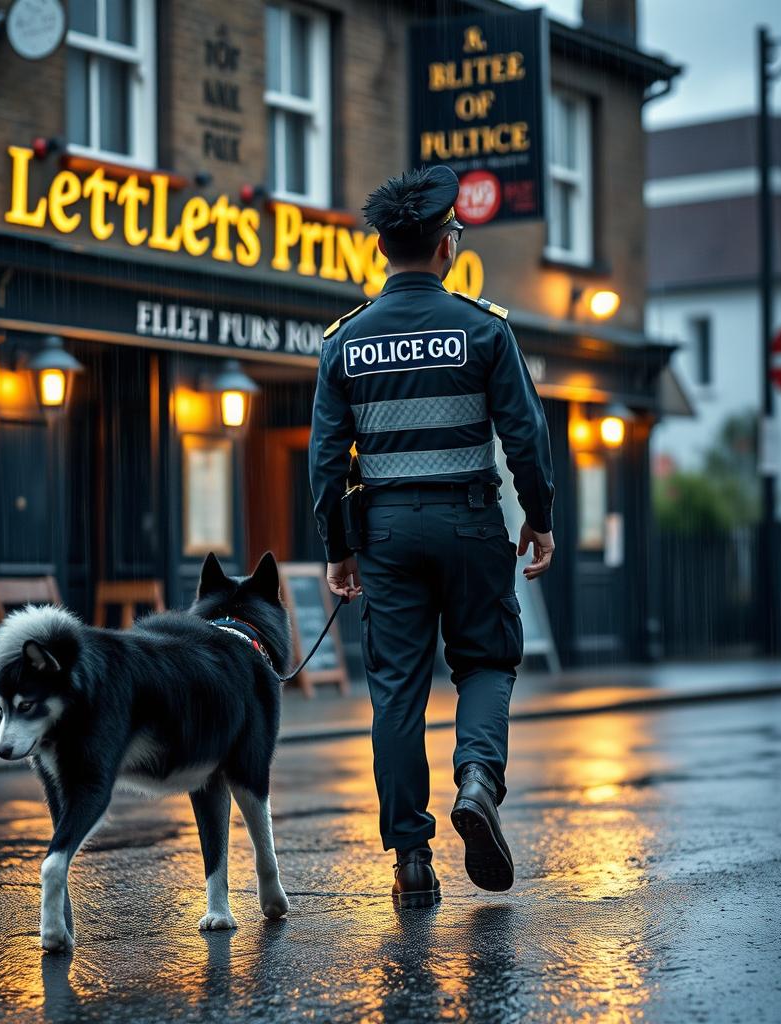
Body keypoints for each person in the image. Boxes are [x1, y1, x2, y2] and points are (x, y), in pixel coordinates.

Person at [309, 166, 555, 908]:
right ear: (447, 245)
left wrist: (337, 550)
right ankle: (478, 779)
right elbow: (526, 434)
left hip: (385, 535)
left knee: (396, 694)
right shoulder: (485, 329)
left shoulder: (345, 343)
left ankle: (412, 859)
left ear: (383, 250)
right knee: (484, 661)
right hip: (473, 522)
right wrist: (538, 520)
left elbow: (324, 459)